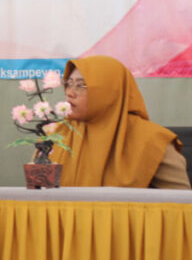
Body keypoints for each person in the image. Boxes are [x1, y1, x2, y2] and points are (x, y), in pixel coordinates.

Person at [51, 56, 190, 189]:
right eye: (68, 84)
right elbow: (42, 194)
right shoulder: (57, 134)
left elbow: (182, 202)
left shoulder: (152, 141)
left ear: (110, 92)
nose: (69, 93)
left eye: (81, 85)